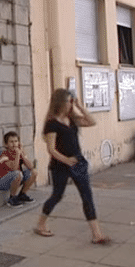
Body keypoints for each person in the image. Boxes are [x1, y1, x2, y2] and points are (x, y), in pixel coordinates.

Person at [34, 89, 110, 244]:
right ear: (61, 103)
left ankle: (97, 234)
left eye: (72, 101)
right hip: (60, 166)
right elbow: (51, 149)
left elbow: (91, 121)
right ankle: (41, 224)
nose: (71, 104)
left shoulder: (72, 119)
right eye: (69, 101)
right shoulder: (52, 124)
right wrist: (66, 160)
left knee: (87, 196)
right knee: (57, 195)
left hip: (78, 163)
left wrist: (80, 106)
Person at [0, 131, 37, 207]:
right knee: (18, 173)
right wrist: (17, 154)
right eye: (11, 142)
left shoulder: (19, 152)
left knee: (34, 172)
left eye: (16, 141)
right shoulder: (3, 154)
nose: (14, 144)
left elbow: (31, 166)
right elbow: (13, 168)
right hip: (1, 182)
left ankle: (22, 195)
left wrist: (22, 153)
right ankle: (12, 199)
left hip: (14, 179)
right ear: (6, 144)